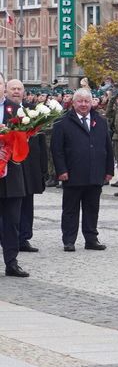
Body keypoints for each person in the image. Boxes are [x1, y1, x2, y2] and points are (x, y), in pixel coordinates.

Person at [51, 88, 114, 252]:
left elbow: (108, 147)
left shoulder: (100, 121)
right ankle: (69, 240)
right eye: (80, 101)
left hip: (95, 174)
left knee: (92, 209)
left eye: (87, 101)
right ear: (73, 102)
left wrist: (109, 170)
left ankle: (91, 239)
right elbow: (56, 150)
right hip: (72, 174)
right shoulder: (62, 122)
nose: (84, 104)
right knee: (70, 210)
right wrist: (61, 170)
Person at [5, 79, 48, 253]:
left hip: (28, 164)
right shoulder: (5, 111)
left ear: (24, 91)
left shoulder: (33, 110)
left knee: (27, 202)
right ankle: (9, 238)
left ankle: (24, 237)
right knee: (10, 205)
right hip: (8, 164)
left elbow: (41, 140)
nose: (16, 91)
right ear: (6, 91)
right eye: (13, 88)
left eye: (19, 89)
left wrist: (42, 168)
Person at [0, 74, 29, 277]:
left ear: (4, 86)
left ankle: (11, 262)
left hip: (11, 173)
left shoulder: (16, 109)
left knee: (12, 221)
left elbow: (24, 138)